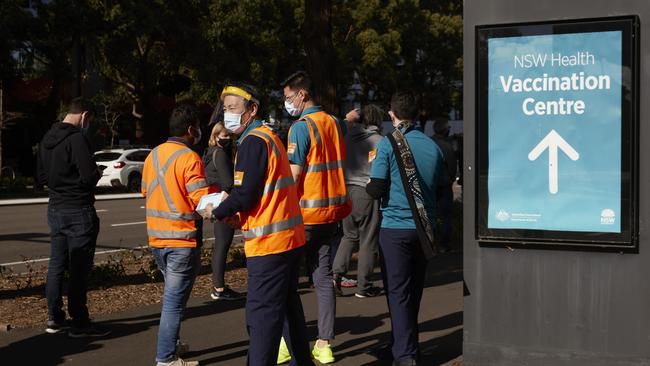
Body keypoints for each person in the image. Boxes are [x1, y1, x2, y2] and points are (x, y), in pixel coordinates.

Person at [202, 83, 313, 366]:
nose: (227, 114)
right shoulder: (268, 136)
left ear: (252, 110)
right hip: (288, 239)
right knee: (289, 311)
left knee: (262, 317)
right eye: (225, 108)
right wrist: (235, 213)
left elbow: (245, 194)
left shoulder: (253, 142)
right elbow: (262, 194)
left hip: (269, 246)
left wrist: (217, 211)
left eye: (232, 108)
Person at [277, 71, 351, 364]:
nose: (286, 102)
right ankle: (324, 343)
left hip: (306, 216)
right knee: (324, 278)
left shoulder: (300, 127)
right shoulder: (335, 122)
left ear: (302, 95)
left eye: (287, 97)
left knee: (286, 281)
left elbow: (294, 176)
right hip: (333, 214)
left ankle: (286, 343)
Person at [366, 90, 445, 366]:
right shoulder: (432, 146)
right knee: (414, 292)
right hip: (424, 229)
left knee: (398, 293)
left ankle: (406, 356)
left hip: (395, 229)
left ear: (392, 114)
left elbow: (376, 189)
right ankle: (402, 345)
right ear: (418, 113)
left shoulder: (388, 145)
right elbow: (443, 189)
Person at [142, 104, 210, 366]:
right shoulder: (189, 157)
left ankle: (172, 345)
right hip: (181, 240)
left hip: (157, 241)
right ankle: (166, 358)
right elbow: (201, 202)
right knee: (174, 302)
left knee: (174, 299)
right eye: (198, 128)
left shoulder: (153, 155)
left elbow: (145, 192)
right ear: (191, 129)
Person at [37, 97, 111, 338]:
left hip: (55, 207)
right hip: (78, 208)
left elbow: (41, 177)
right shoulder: (77, 139)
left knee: (56, 264)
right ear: (85, 116)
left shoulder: (47, 138)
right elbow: (89, 176)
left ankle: (54, 316)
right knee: (79, 269)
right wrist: (96, 172)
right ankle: (80, 321)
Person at [332, 104, 384, 298]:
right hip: (366, 192)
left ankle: (336, 276)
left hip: (346, 191)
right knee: (368, 241)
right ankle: (364, 286)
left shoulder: (348, 137)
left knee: (349, 236)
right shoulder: (379, 141)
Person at [202, 122, 244, 301]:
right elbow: (228, 183)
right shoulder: (220, 154)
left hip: (214, 200)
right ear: (215, 135)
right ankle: (219, 287)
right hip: (223, 202)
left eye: (229, 136)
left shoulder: (209, 153)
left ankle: (217, 286)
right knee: (223, 244)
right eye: (224, 135)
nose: (227, 139)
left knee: (220, 244)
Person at [432, 119, 457, 252]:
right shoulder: (447, 147)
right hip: (445, 184)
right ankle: (444, 244)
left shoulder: (429, 143)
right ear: (445, 130)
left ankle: (433, 242)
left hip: (431, 183)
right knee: (446, 214)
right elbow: (453, 167)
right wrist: (451, 178)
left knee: (432, 213)